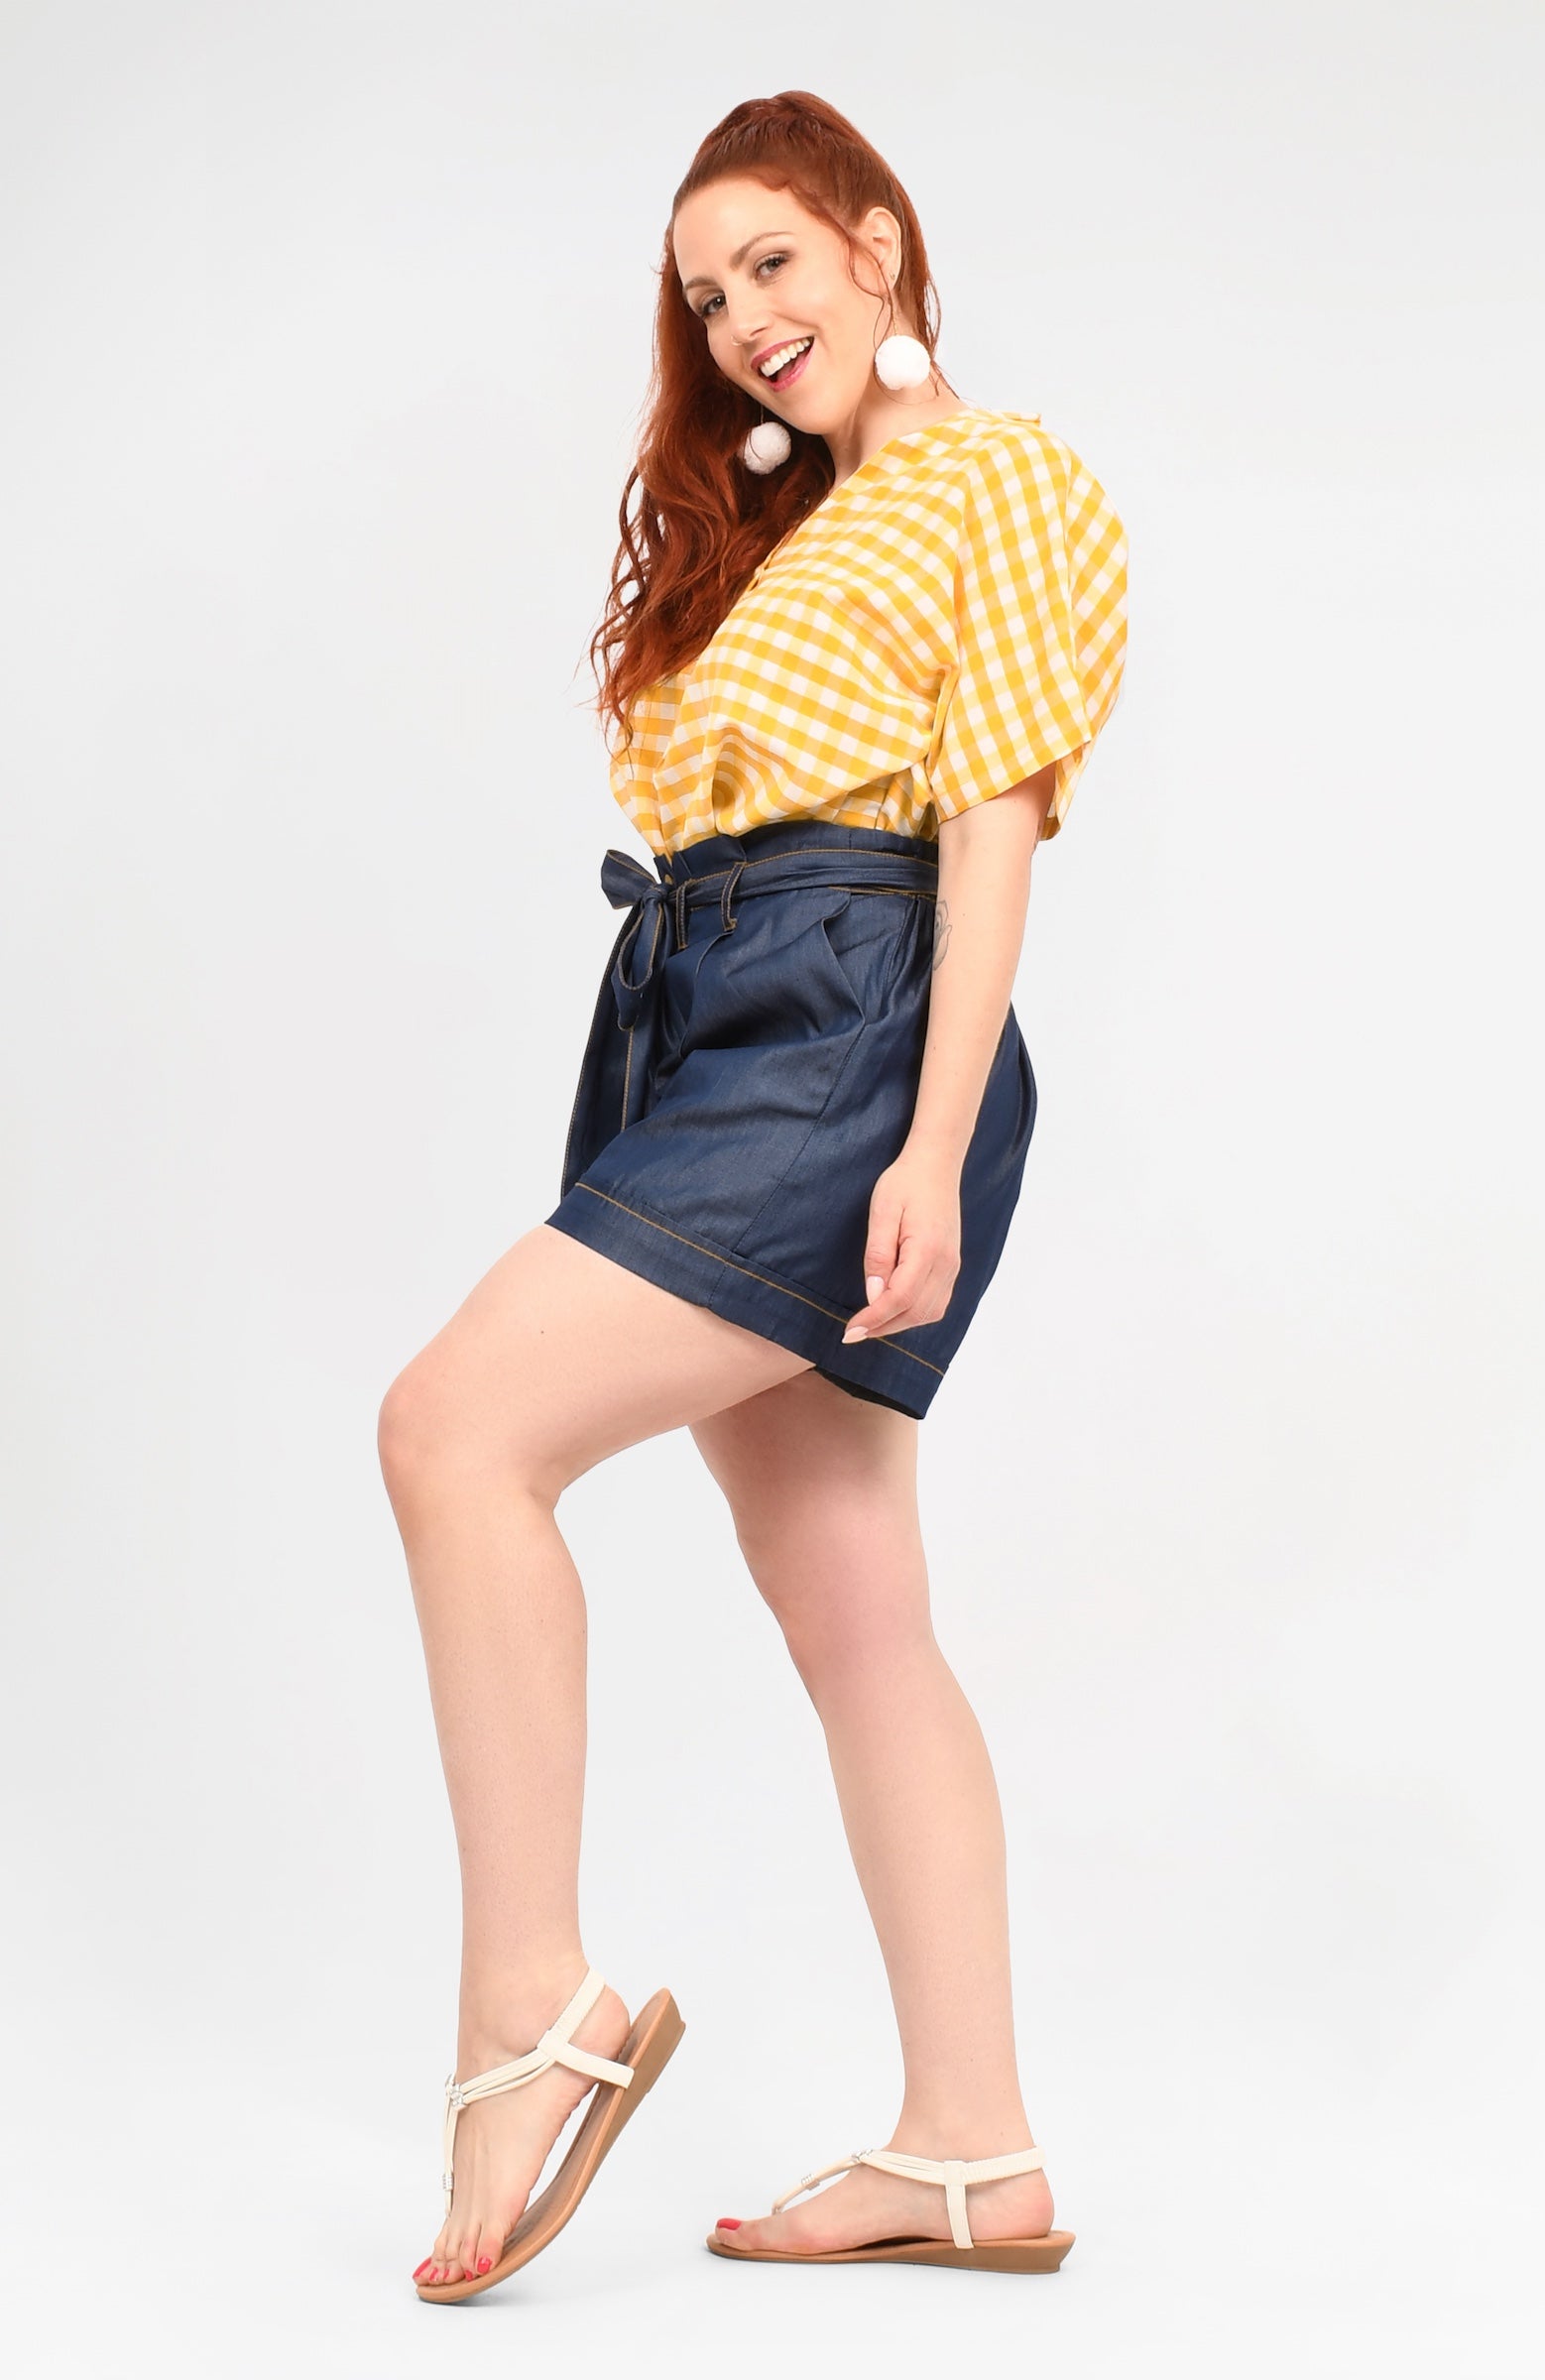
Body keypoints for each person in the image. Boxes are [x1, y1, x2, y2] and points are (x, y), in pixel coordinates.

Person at [380, 88, 1128, 2300]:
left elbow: (989, 823)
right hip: (704, 1018)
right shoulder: (790, 524)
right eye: (706, 297)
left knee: (454, 1433)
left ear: (877, 241)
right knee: (848, 1596)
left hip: (846, 1032)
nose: (738, 323)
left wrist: (929, 1139)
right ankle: (972, 2151)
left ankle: (531, 2009)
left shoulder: (1004, 476)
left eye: (772, 264)